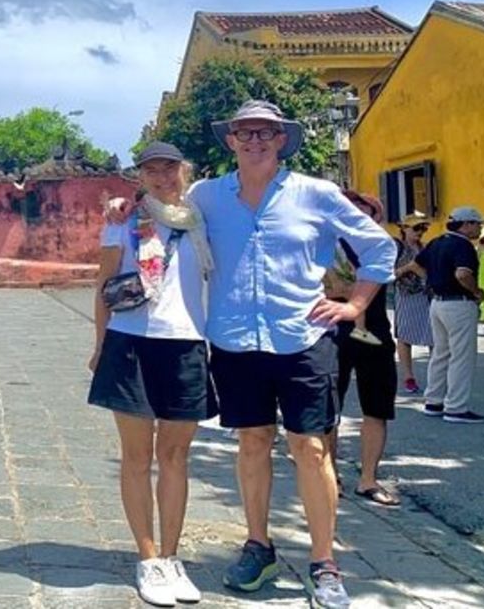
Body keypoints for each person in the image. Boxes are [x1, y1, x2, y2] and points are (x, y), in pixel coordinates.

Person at [186, 99, 395, 609]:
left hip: (303, 336)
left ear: (282, 139)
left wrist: (355, 305)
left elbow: (379, 248)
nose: (254, 140)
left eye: (266, 132)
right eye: (244, 132)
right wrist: (123, 211)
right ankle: (259, 546)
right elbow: (163, 217)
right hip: (235, 338)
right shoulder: (207, 196)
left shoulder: (316, 195)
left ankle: (324, 561)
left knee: (311, 447)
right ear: (230, 140)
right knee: (252, 442)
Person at [90, 141, 216, 607]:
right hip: (131, 342)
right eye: (152, 171)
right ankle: (147, 557)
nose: (162, 178)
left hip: (186, 342)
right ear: (140, 177)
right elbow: (103, 287)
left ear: (185, 171)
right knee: (137, 456)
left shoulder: (205, 220)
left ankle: (171, 555)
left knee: (176, 456)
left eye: (170, 169)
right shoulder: (123, 222)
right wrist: (100, 345)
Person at [325, 191, 399, 508]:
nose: (353, 211)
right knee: (329, 407)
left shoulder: (381, 244)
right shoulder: (326, 244)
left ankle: (368, 479)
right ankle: (329, 476)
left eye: (361, 207)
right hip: (332, 328)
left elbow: (366, 282)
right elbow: (326, 287)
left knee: (377, 408)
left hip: (377, 332)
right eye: (348, 206)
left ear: (374, 214)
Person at [408, 206, 484, 423]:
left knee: (440, 354)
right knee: (461, 356)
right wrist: (476, 291)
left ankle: (434, 401)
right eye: (477, 223)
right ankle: (456, 407)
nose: (479, 228)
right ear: (466, 224)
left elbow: (415, 265)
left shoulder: (437, 242)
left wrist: (432, 281)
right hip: (459, 304)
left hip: (438, 302)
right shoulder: (463, 246)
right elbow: (463, 274)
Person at [392, 212, 433, 393]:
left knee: (433, 336)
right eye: (416, 228)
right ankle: (408, 376)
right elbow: (387, 274)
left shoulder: (424, 248)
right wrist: (408, 268)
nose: (420, 232)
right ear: (404, 229)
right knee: (405, 336)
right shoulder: (396, 248)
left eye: (423, 228)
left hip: (426, 295)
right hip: (406, 294)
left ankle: (436, 376)